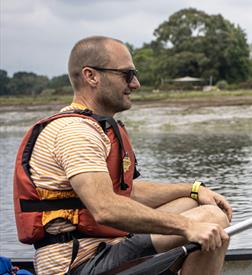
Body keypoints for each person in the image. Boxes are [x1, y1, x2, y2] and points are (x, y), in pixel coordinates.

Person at [12, 36, 232, 275]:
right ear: (91, 76)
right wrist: (189, 227)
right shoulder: (74, 132)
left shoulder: (97, 127)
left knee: (196, 204)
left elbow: (127, 193)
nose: (135, 83)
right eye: (126, 74)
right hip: (78, 264)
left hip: (107, 249)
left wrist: (192, 189)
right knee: (210, 218)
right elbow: (106, 208)